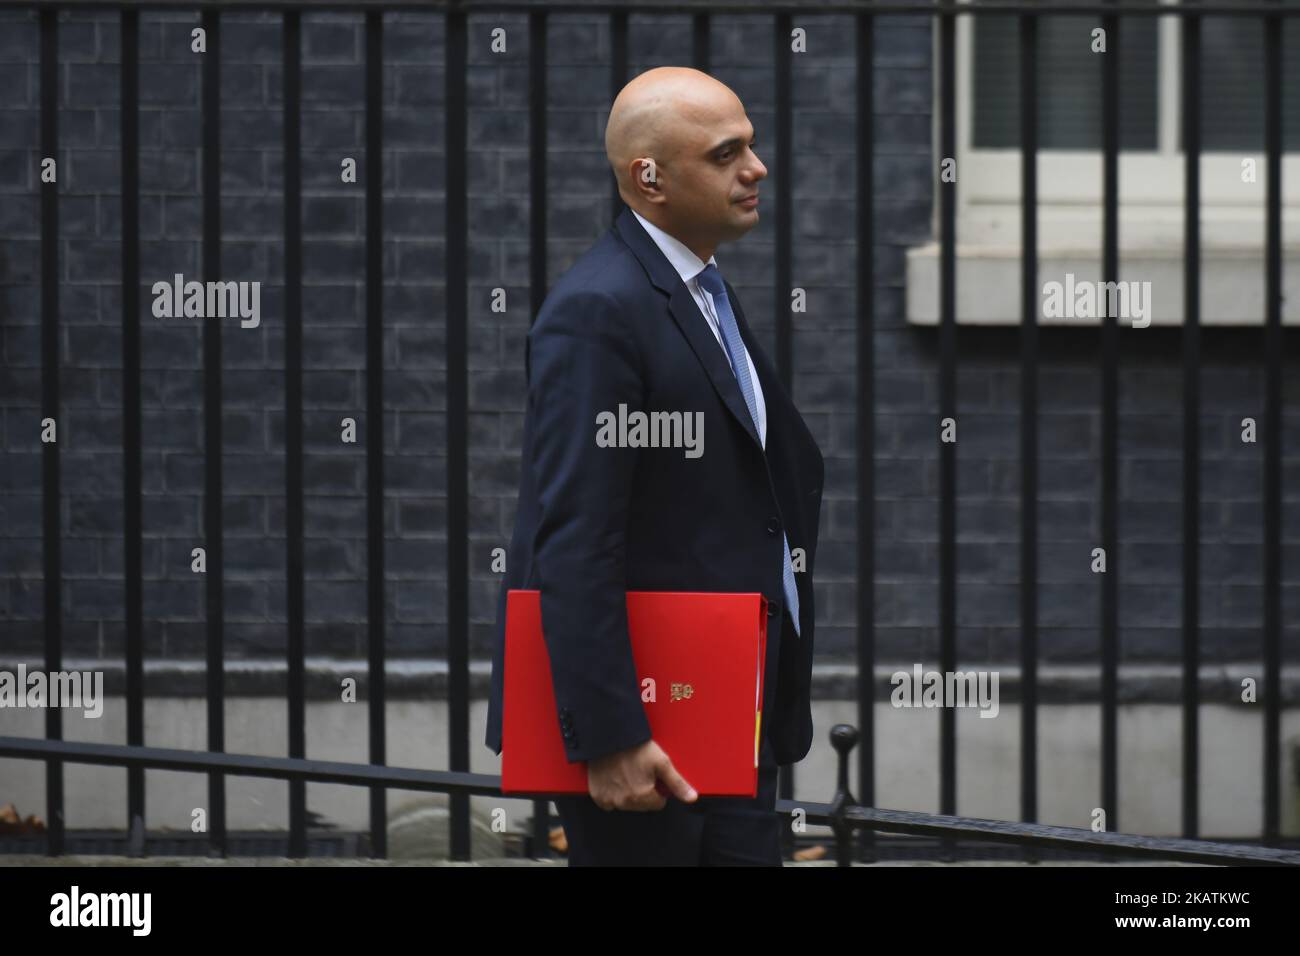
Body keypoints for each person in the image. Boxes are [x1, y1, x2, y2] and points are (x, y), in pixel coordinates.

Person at [484, 66, 825, 866]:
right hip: (654, 732)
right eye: (725, 153)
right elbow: (574, 534)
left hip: (727, 706)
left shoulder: (698, 289)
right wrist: (611, 735)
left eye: (752, 144)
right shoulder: (601, 311)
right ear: (650, 177)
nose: (756, 167)